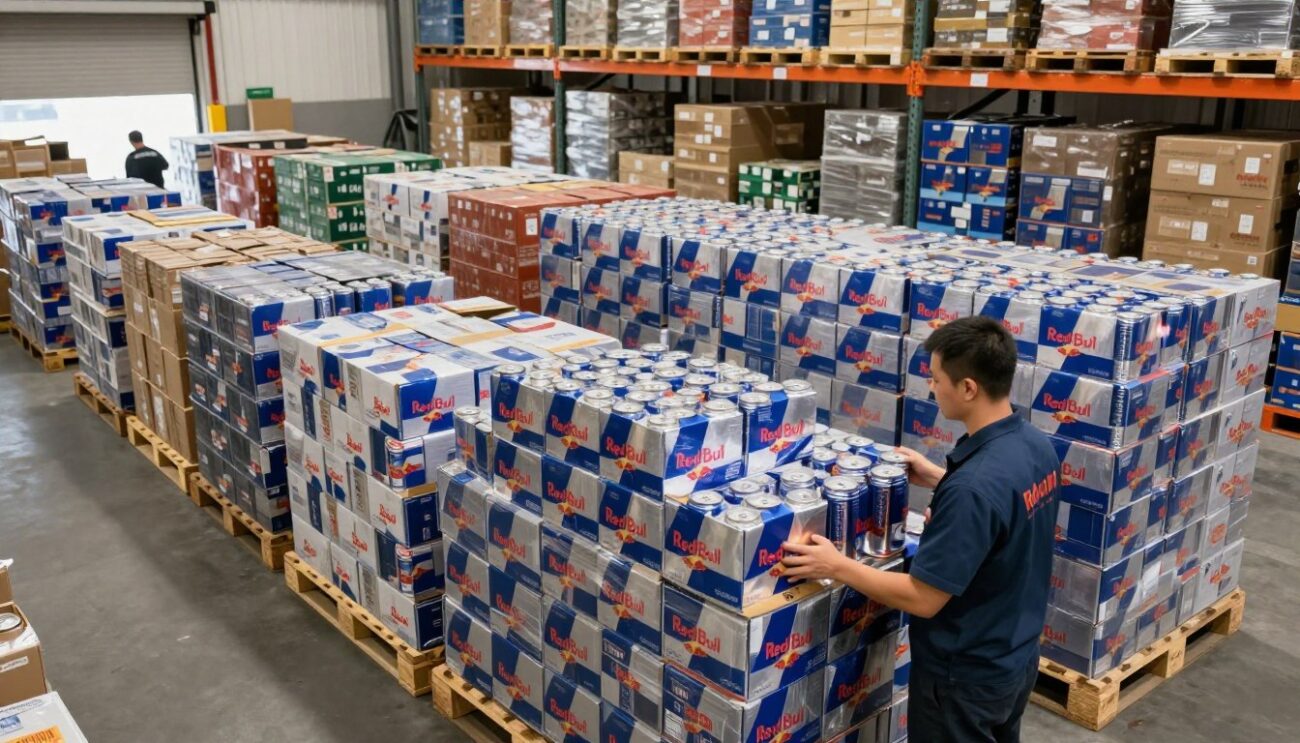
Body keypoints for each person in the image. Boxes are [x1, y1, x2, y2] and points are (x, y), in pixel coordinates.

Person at [782, 316, 1061, 743]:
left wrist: (835, 565)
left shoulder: (973, 490)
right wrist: (937, 476)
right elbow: (1003, 512)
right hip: (1016, 658)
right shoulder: (1035, 446)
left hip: (963, 678)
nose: (931, 389)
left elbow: (923, 598)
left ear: (968, 388)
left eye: (935, 379)